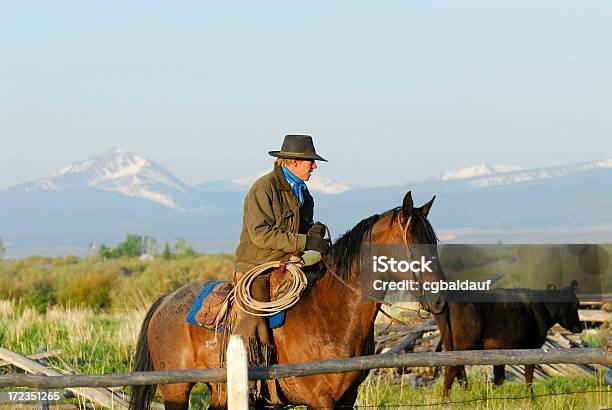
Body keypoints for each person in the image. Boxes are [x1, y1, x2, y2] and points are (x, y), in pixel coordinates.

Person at [233, 134, 330, 368]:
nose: (314, 166)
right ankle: (247, 377)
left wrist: (312, 233)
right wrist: (304, 242)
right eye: (310, 161)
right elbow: (261, 234)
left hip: (289, 265)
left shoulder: (303, 193)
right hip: (257, 268)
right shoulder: (264, 188)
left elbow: (299, 229)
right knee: (254, 320)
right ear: (293, 162)